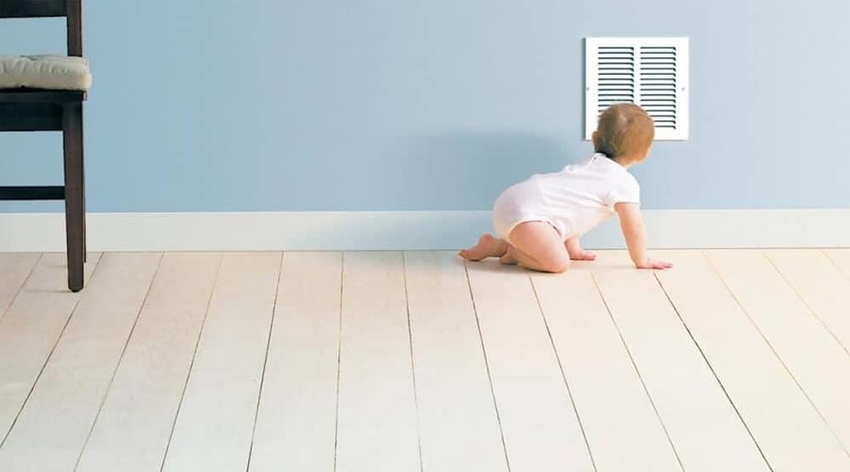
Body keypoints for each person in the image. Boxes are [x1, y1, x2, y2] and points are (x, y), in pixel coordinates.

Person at [459, 103, 673, 273]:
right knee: (558, 263)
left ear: (596, 138)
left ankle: (493, 245)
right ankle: (513, 252)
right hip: (526, 215)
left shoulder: (591, 162)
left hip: (515, 199)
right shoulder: (624, 184)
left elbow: (569, 209)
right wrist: (641, 259)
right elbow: (633, 226)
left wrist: (574, 249)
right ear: (644, 153)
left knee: (557, 244)